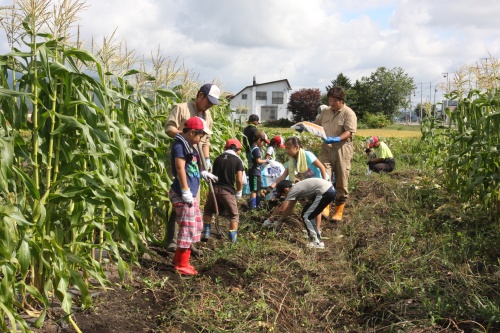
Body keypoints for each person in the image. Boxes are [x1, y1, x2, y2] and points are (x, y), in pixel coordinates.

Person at [164, 83, 220, 254]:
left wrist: (207, 159)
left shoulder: (208, 116)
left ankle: (189, 242)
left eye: (212, 103)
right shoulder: (181, 108)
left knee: (193, 202)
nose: (209, 105)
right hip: (180, 159)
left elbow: (206, 141)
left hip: (196, 162)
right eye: (208, 101)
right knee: (181, 199)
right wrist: (185, 137)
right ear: (200, 95)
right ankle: (172, 241)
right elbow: (169, 128)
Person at [169, 117, 217, 275]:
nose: (201, 139)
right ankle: (181, 264)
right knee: (187, 227)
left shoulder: (190, 145)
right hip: (183, 194)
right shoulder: (179, 145)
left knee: (196, 224)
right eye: (200, 135)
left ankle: (180, 260)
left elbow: (192, 166)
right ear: (192, 132)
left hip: (189, 192)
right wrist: (185, 189)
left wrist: (202, 173)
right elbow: (180, 168)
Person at [267, 136, 328, 233]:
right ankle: (279, 221)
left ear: (297, 147)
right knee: (301, 202)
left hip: (321, 182)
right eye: (286, 148)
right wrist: (272, 186)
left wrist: (325, 183)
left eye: (289, 148)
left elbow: (322, 167)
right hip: (310, 183)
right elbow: (283, 176)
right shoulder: (292, 161)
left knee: (316, 207)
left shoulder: (307, 155)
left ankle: (317, 230)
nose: (287, 150)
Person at [315, 87, 357, 222]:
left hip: (342, 150)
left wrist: (337, 138)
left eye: (334, 101)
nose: (331, 103)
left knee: (341, 180)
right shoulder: (325, 112)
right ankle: (326, 206)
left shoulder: (348, 113)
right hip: (327, 149)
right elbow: (317, 124)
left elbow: (350, 132)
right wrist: (305, 127)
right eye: (329, 100)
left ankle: (338, 210)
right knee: (325, 177)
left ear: (341, 100)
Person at [263, 178, 336, 249]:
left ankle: (317, 242)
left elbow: (283, 208)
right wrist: (279, 221)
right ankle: (315, 235)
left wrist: (270, 220)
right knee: (307, 214)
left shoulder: (293, 190)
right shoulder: (296, 189)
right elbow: (289, 209)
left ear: (286, 190)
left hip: (325, 192)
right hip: (329, 190)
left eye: (283, 194)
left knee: (307, 216)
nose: (284, 197)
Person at [202, 139, 244, 243]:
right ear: (237, 150)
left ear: (225, 148)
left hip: (214, 189)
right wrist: (239, 191)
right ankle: (232, 238)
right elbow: (239, 179)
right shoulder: (237, 160)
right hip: (227, 190)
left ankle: (206, 232)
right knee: (234, 215)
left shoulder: (217, 158)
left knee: (208, 210)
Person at [248, 131, 269, 209]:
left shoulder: (252, 147)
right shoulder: (256, 149)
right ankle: (253, 207)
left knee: (256, 189)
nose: (263, 144)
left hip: (252, 171)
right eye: (263, 142)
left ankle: (256, 205)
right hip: (255, 172)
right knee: (254, 190)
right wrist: (266, 161)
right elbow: (258, 161)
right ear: (259, 140)